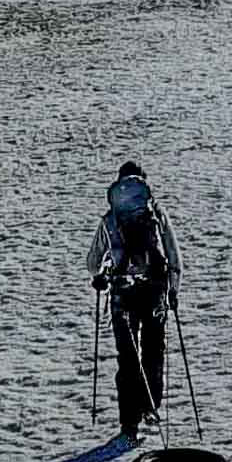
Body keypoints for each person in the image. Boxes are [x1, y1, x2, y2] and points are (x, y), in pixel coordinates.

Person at [88, 161, 179, 441]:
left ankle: (129, 424)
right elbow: (174, 257)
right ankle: (151, 406)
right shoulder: (157, 215)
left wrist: (102, 275)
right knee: (153, 351)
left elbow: (93, 262)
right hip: (154, 292)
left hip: (122, 295)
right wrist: (173, 290)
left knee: (127, 360)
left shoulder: (110, 220)